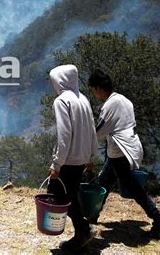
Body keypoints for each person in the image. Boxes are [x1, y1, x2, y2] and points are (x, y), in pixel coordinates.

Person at [87, 69, 160, 238]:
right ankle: (92, 216)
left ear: (98, 88)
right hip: (127, 148)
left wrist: (85, 150)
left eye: (93, 89)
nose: (93, 93)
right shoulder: (124, 100)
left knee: (133, 188)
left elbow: (99, 132)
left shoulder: (109, 105)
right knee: (105, 181)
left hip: (120, 151)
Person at [47, 64, 99, 251]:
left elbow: (64, 134)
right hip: (82, 158)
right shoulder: (83, 99)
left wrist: (56, 163)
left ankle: (84, 229)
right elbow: (92, 130)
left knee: (57, 194)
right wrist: (92, 154)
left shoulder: (61, 101)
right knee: (71, 195)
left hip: (68, 159)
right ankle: (81, 236)